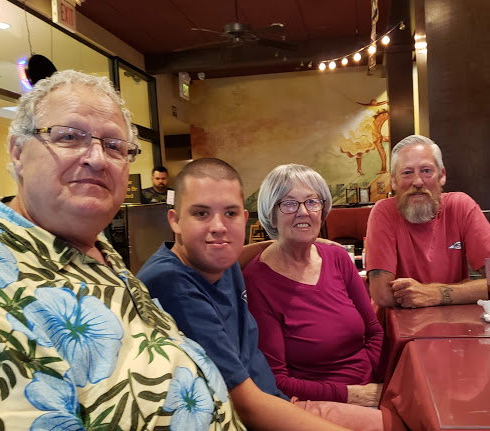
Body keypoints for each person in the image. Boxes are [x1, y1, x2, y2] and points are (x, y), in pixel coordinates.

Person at [0, 71, 244, 431]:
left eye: (115, 146)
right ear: (18, 152)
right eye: (69, 137)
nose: (98, 159)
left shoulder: (95, 248)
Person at [138, 157, 373, 431]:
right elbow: (246, 406)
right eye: (201, 213)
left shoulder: (220, 258)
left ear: (244, 217)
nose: (218, 227)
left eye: (230, 213)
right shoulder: (174, 285)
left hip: (276, 399)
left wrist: (299, 241)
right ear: (176, 220)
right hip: (254, 414)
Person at [242, 165, 384, 416]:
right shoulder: (256, 281)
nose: (303, 212)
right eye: (289, 204)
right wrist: (352, 395)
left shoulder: (338, 257)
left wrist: (376, 380)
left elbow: (374, 331)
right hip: (316, 405)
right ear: (270, 215)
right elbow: (276, 380)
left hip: (373, 389)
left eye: (312, 201)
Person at [366, 134, 490, 308]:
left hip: (455, 321)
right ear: (393, 180)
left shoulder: (461, 206)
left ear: (442, 175)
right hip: (399, 322)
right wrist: (466, 291)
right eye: (407, 173)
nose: (417, 182)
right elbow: (383, 295)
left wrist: (435, 294)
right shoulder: (383, 212)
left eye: (426, 171)